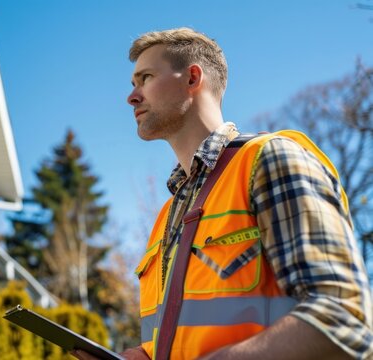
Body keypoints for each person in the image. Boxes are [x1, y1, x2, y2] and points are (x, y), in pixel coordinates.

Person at [72, 28, 372, 359]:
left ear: (192, 78)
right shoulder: (165, 218)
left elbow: (345, 317)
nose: (132, 96)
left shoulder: (269, 160)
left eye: (145, 78)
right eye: (133, 84)